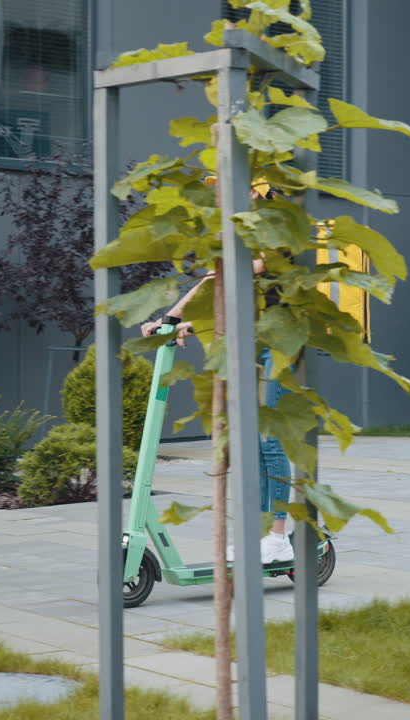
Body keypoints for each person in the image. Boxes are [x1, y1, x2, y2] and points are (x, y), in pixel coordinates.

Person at [140, 186, 295, 565]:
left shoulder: (280, 240)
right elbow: (215, 289)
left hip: (276, 344)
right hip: (248, 340)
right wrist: (170, 321)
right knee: (254, 446)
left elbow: (227, 277)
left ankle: (279, 536)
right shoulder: (240, 239)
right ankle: (261, 534)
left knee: (268, 440)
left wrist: (181, 322)